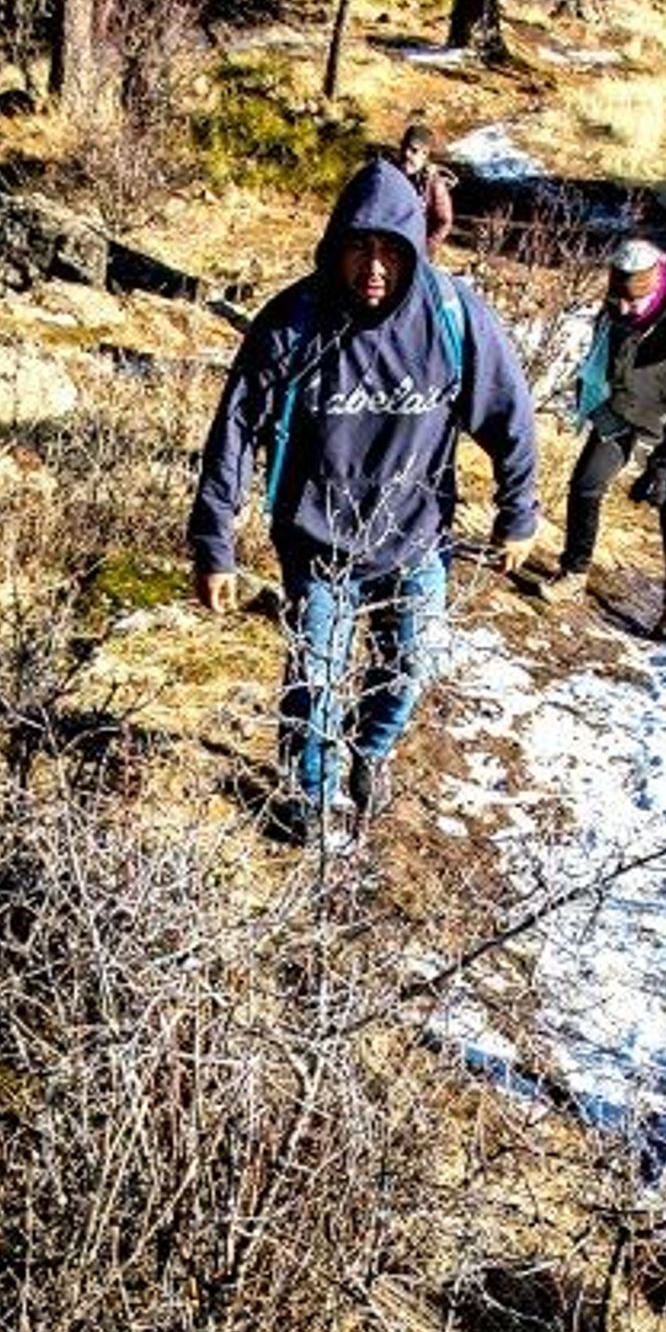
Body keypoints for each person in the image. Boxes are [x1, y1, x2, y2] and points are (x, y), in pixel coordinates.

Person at [190, 158, 541, 841]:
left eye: (389, 251)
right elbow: (233, 430)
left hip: (416, 537)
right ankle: (314, 796)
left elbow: (510, 414)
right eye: (359, 248)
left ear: (413, 247)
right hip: (317, 541)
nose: (373, 268)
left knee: (410, 666)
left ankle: (370, 752)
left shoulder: (452, 317)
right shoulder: (293, 322)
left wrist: (518, 509)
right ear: (335, 247)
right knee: (315, 681)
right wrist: (214, 544)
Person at [527, 236, 666, 637]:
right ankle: (574, 571)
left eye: (633, 303)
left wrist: (663, 467)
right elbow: (597, 364)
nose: (622, 309)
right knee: (586, 484)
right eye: (617, 299)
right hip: (624, 407)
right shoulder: (618, 303)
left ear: (655, 291)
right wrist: (595, 406)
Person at [395, 121, 458, 251]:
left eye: (414, 150)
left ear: (425, 154)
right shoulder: (390, 174)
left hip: (417, 252)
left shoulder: (434, 184)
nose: (407, 154)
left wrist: (425, 249)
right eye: (404, 147)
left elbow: (444, 221)